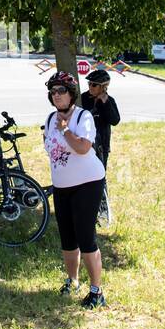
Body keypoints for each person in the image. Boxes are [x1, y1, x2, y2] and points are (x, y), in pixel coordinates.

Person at [42, 71, 107, 309]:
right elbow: (49, 146)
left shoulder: (83, 116)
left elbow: (82, 148)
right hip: (62, 186)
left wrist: (66, 130)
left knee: (85, 236)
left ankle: (96, 291)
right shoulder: (50, 119)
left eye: (61, 91)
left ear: (71, 94)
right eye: (53, 91)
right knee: (67, 237)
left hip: (88, 183)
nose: (56, 95)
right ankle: (73, 280)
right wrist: (57, 128)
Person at [80, 69, 121, 166]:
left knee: (100, 174)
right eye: (89, 84)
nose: (90, 87)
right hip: (83, 143)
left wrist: (105, 102)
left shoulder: (109, 101)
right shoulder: (82, 98)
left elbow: (115, 121)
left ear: (103, 86)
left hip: (101, 145)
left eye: (94, 85)